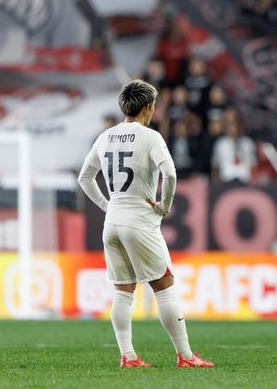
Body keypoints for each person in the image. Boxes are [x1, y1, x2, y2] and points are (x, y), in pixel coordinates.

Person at [77, 79, 213, 369]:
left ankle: (128, 355)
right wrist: (164, 206)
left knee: (123, 290)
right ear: (149, 107)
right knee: (164, 286)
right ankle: (186, 356)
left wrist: (105, 204)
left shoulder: (105, 137)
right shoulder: (150, 137)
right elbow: (171, 175)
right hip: (139, 220)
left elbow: (84, 178)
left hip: (112, 222)